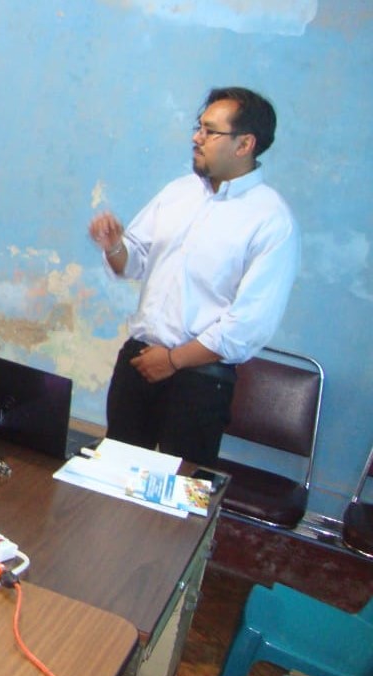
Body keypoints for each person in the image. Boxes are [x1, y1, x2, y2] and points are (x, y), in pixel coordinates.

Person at [87, 87, 299, 466]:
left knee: (181, 492)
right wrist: (114, 246)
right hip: (139, 360)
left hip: (199, 378)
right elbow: (132, 262)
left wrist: (173, 360)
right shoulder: (179, 192)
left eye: (210, 131)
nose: (196, 138)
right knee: (112, 478)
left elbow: (246, 325)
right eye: (198, 128)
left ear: (245, 144)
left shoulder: (271, 220)